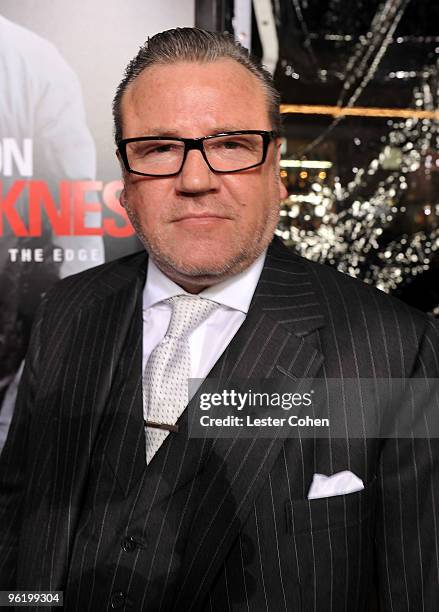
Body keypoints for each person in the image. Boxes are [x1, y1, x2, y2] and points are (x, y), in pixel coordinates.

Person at [0, 27, 438, 611]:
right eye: (159, 148)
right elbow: (17, 524)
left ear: (276, 167)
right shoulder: (68, 309)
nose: (196, 179)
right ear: (126, 182)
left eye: (231, 144)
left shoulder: (396, 350)